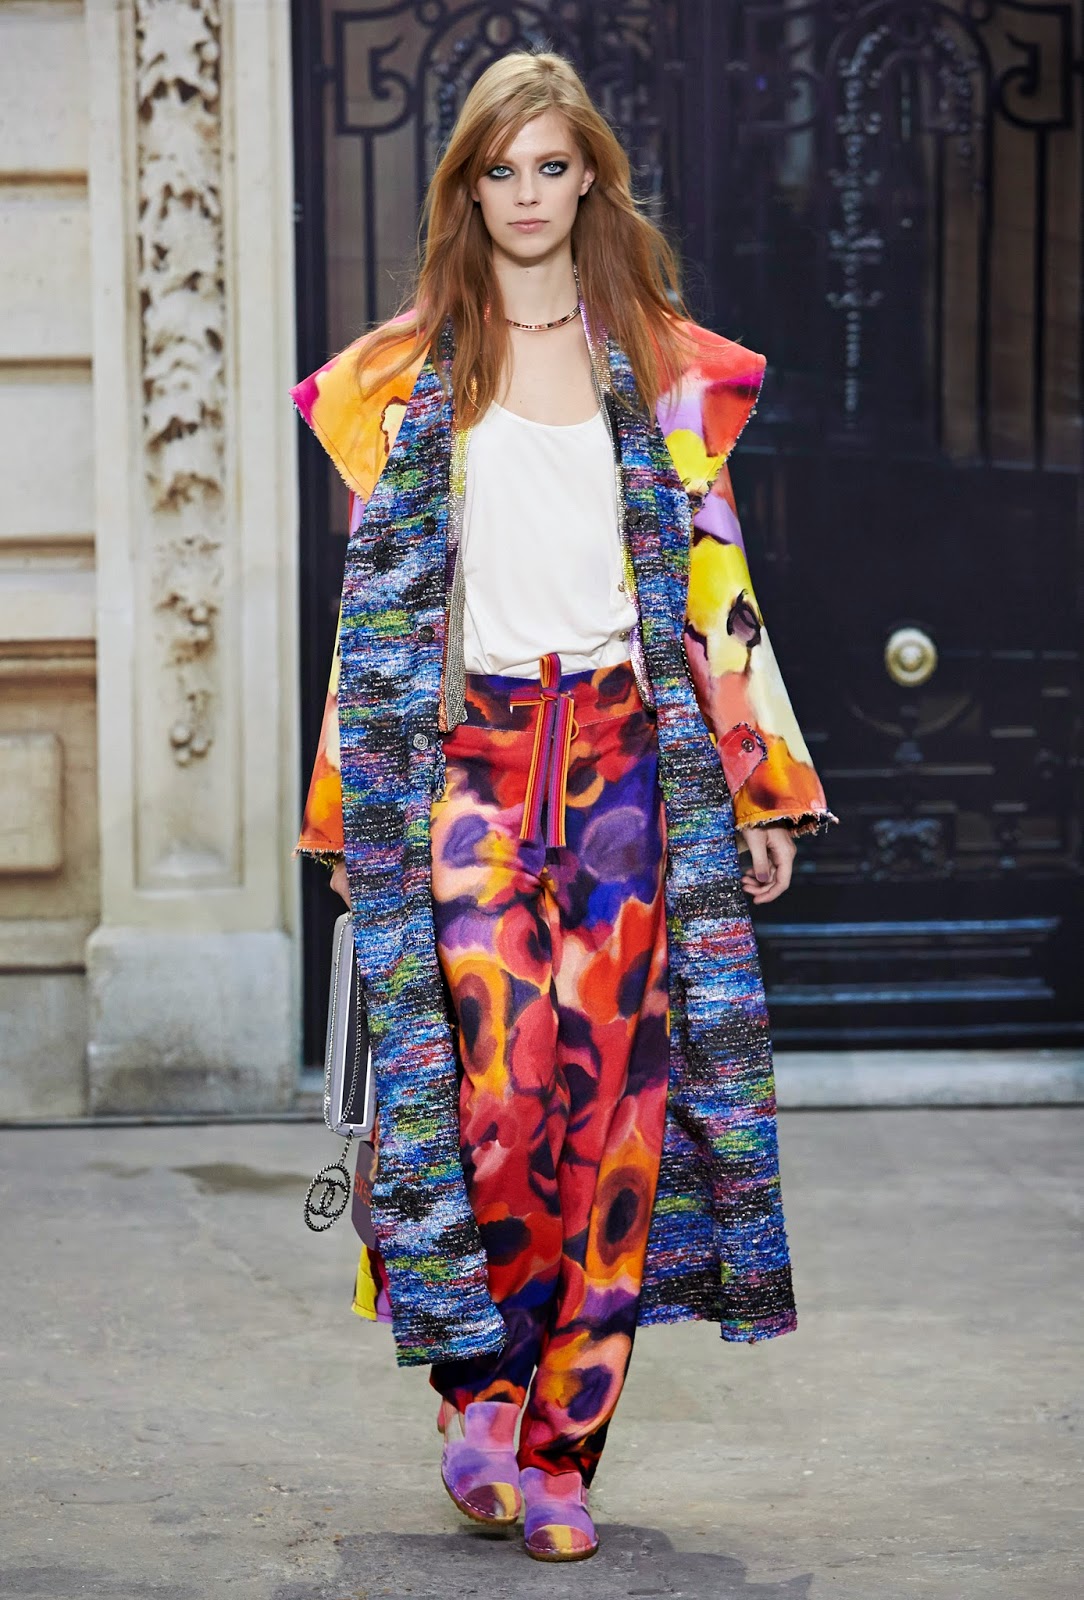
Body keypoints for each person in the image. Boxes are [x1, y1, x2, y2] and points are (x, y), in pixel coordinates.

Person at [293, 49, 834, 1564]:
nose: (527, 193)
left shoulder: (655, 366)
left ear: (589, 176)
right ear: (466, 189)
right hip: (470, 768)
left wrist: (758, 789)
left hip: (624, 773)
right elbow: (372, 617)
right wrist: (347, 818)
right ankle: (477, 1389)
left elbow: (718, 587)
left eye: (551, 165)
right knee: (496, 1091)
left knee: (616, 1123)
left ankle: (560, 1450)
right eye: (500, 169)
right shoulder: (404, 377)